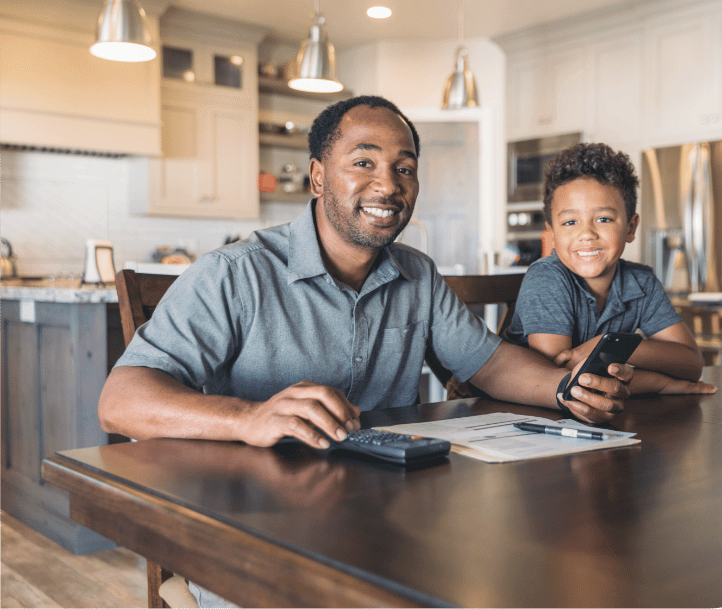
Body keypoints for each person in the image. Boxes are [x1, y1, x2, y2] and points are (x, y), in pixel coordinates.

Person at [98, 96, 638, 454]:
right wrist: (247, 418)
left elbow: (491, 363)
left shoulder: (417, 275)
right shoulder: (233, 274)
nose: (388, 185)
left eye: (404, 168)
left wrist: (568, 390)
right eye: (364, 163)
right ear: (317, 177)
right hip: (252, 518)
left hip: (382, 507)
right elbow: (119, 402)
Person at [505, 142, 716, 395]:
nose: (586, 234)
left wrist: (605, 347)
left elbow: (691, 364)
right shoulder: (546, 279)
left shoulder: (640, 282)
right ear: (551, 233)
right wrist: (661, 383)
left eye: (603, 219)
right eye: (570, 222)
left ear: (630, 227)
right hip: (518, 414)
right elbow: (561, 382)